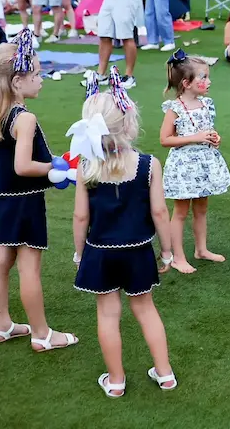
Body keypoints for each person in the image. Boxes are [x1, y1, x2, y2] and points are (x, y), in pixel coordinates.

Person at [69, 74, 176, 396]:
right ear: (129, 123)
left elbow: (80, 216)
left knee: (107, 314)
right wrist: (168, 252)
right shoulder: (148, 164)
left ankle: (116, 381)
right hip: (139, 250)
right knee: (146, 309)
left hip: (100, 251)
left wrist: (78, 253)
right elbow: (159, 212)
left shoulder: (86, 167)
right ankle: (165, 373)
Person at [0, 31, 79, 349]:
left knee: (1, 260)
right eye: (36, 73)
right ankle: (42, 334)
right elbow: (22, 166)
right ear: (17, 81)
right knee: (29, 267)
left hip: (4, 202)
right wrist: (56, 169)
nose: (41, 79)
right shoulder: (25, 118)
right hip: (25, 201)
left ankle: (2, 324)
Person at [160, 51, 230, 274]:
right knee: (180, 212)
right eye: (203, 77)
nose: (208, 82)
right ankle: (177, 257)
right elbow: (165, 139)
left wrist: (213, 138)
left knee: (201, 209)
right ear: (186, 83)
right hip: (184, 168)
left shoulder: (206, 104)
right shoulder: (175, 108)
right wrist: (196, 138)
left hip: (204, 165)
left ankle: (201, 249)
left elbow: (207, 130)